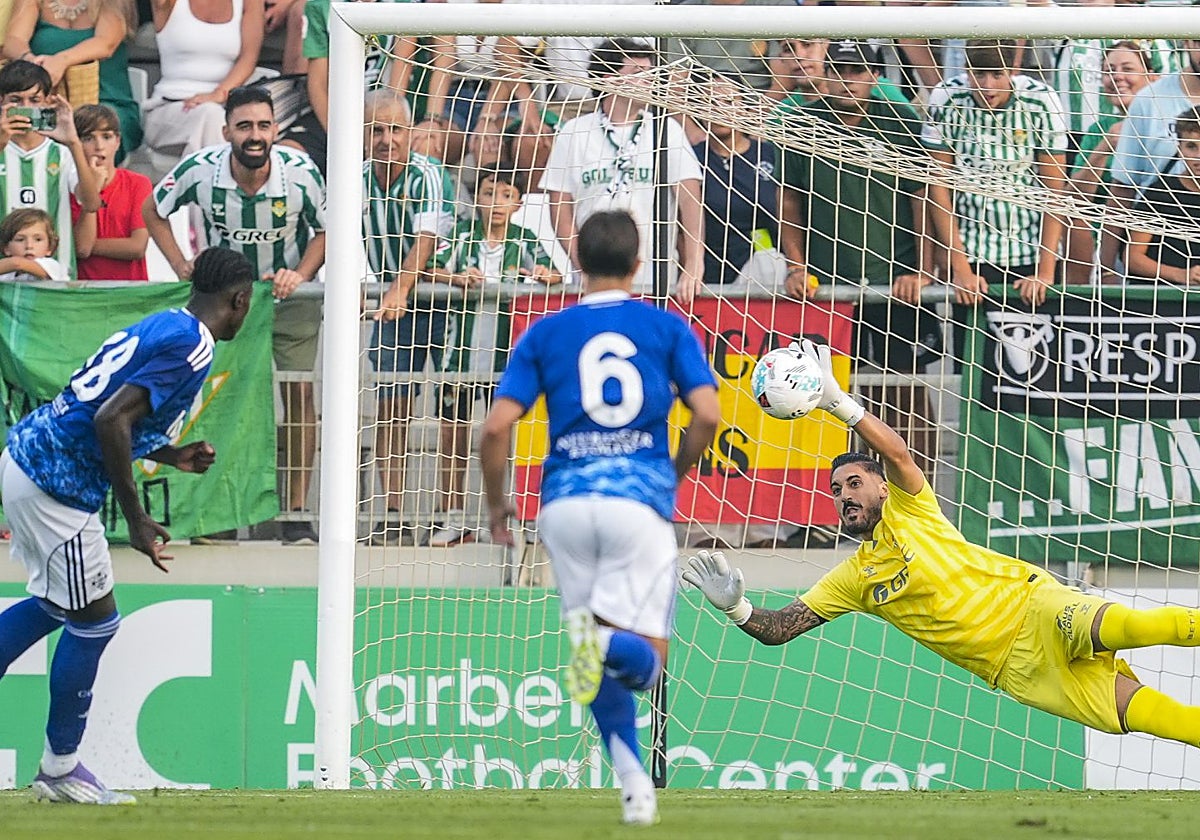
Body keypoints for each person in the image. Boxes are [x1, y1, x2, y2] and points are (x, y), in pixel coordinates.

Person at [685, 338, 1200, 755]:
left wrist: (837, 403)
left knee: (1131, 626)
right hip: (1019, 670)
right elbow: (779, 629)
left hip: (1034, 607)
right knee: (1158, 718)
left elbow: (898, 454)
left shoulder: (912, 509)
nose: (844, 496)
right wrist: (736, 607)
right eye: (836, 490)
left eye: (855, 483)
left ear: (882, 487)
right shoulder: (854, 579)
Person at [480, 210, 720, 825]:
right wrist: (673, 473)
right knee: (645, 660)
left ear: (579, 263)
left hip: (563, 507)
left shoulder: (545, 333)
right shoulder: (663, 327)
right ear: (639, 265)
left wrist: (497, 506)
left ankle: (634, 784)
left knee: (594, 646)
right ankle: (608, 643)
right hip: (636, 507)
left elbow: (495, 428)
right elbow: (708, 414)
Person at [0, 246, 255, 804]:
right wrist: (137, 518)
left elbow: (110, 407)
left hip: (28, 460)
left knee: (58, 605)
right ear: (241, 300)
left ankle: (60, 768)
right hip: (56, 484)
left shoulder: (169, 324)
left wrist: (172, 455)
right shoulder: (192, 348)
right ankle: (60, 769)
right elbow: (109, 417)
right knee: (96, 621)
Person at [143, 85, 326, 545]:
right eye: (244, 126)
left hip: (288, 302)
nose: (255, 135)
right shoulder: (200, 169)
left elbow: (330, 228)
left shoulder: (301, 172)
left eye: (263, 125)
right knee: (217, 398)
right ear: (226, 131)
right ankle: (218, 516)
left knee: (300, 396)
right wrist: (180, 264)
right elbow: (152, 209)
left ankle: (296, 515)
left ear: (276, 129)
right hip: (222, 308)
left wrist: (301, 273)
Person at [780, 41, 954, 478]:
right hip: (828, 290)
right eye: (839, 70)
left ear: (876, 77)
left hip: (896, 282)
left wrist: (922, 270)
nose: (848, 80)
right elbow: (789, 201)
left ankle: (919, 490)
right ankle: (851, 493)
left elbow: (922, 197)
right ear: (825, 74)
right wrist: (796, 265)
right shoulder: (803, 123)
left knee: (906, 391)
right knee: (837, 396)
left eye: (858, 71)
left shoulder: (899, 121)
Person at [425, 162, 560, 548]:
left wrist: (540, 275)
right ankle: (452, 516)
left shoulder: (524, 239)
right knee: (453, 433)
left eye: (506, 195)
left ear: (517, 204)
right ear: (477, 200)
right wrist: (457, 278)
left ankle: (499, 517)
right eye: (488, 194)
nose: (496, 203)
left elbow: (554, 274)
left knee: (504, 437)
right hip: (459, 356)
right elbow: (431, 268)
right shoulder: (462, 236)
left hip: (506, 360)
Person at [361, 89, 455, 547]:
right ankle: (395, 515)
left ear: (410, 131)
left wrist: (400, 288)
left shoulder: (428, 173)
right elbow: (335, 232)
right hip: (391, 301)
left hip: (445, 301)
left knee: (453, 406)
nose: (387, 139)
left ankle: (450, 515)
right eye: (376, 130)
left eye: (395, 129)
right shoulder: (355, 178)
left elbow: (428, 235)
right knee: (391, 407)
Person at [541, 38, 705, 300]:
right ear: (609, 80)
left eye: (651, 72)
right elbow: (560, 209)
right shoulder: (574, 131)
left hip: (655, 280)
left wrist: (695, 263)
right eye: (639, 73)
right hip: (592, 281)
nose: (649, 80)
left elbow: (690, 200)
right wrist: (581, 264)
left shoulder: (667, 129)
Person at [922, 38, 1069, 311]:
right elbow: (938, 186)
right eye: (979, 74)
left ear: (1012, 70)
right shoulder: (946, 97)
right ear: (966, 70)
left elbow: (1054, 192)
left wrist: (1045, 271)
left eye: (997, 74)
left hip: (1029, 252)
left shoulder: (1041, 100)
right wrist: (960, 267)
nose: (987, 85)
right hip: (970, 253)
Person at [2, 0, 144, 161]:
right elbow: (13, 41)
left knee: (96, 126)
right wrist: (32, 62)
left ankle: (89, 177)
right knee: (23, 124)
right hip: (44, 103)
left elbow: (106, 44)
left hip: (104, 99)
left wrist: (61, 61)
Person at [139, 0, 265, 176]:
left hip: (224, 111)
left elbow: (249, 58)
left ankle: (198, 190)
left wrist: (218, 94)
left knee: (216, 121)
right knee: (212, 118)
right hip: (169, 108)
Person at [1067, 41, 1158, 284]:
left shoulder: (1167, 126)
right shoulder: (1099, 131)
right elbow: (1073, 200)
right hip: (1104, 248)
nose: (1117, 77)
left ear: (1152, 77)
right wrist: (1105, 147)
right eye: (1109, 71)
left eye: (1127, 69)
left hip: (1159, 241)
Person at [0, 60, 102, 270]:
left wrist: (73, 141)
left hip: (57, 275)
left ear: (47, 102)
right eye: (16, 100)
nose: (26, 108)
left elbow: (91, 204)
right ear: (2, 102)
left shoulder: (63, 153)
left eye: (34, 100)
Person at [71, 103, 151, 280]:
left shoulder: (138, 183)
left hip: (130, 290)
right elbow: (82, 249)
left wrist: (86, 244)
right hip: (84, 290)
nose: (99, 146)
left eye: (106, 137)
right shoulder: (68, 186)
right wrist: (93, 190)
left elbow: (137, 247)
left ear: (117, 141)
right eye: (88, 138)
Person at [1126, 106, 1200, 285]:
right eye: (1191, 146)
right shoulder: (1160, 193)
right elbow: (1132, 258)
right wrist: (1181, 275)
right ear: (1179, 149)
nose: (1199, 156)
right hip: (1165, 297)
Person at [0, 207, 69, 280]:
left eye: (38, 240)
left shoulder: (51, 266)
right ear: (6, 248)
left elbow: (17, 264)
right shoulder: (6, 275)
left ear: (49, 247)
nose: (29, 246)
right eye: (20, 240)